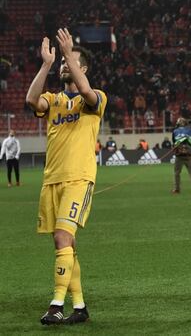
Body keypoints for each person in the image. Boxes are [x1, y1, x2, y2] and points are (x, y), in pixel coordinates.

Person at [26, 30, 107, 325]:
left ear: (81, 68)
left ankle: (56, 304)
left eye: (68, 61)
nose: (63, 64)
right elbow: (31, 99)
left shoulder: (95, 98)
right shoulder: (54, 100)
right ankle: (81, 307)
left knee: (62, 237)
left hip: (78, 179)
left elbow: (86, 93)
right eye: (62, 61)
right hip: (52, 181)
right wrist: (46, 64)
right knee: (65, 245)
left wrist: (70, 53)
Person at [171, 118, 191, 194]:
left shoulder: (175, 131)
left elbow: (174, 142)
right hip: (189, 154)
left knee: (177, 173)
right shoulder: (190, 130)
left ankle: (177, 189)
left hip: (179, 154)